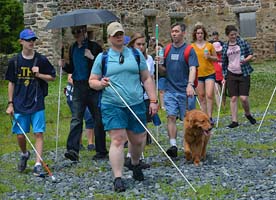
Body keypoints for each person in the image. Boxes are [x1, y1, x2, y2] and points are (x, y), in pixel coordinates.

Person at [89, 22, 158, 192]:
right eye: (115, 34)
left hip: (135, 102)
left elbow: (146, 77)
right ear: (109, 37)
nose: (119, 36)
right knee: (118, 139)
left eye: (120, 33)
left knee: (138, 139)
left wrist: (153, 100)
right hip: (112, 104)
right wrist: (101, 83)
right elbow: (92, 81)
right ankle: (118, 177)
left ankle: (134, 163)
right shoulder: (102, 57)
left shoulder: (135, 54)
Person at [5, 29, 56, 176]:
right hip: (20, 102)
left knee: (38, 133)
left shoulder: (40, 59)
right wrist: (10, 103)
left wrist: (39, 74)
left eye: (33, 40)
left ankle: (38, 164)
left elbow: (52, 77)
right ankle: (25, 153)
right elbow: (11, 83)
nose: (31, 42)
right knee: (20, 135)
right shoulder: (14, 61)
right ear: (21, 41)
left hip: (37, 102)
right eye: (28, 40)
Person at [59, 25, 107, 161]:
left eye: (78, 31)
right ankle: (73, 150)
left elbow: (102, 65)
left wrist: (91, 57)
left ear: (85, 31)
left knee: (98, 118)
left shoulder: (94, 47)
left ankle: (101, 150)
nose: (76, 34)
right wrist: (65, 66)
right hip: (78, 86)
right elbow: (72, 68)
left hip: (92, 85)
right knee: (76, 118)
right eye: (73, 32)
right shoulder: (73, 48)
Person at [158, 23, 198, 158]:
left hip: (185, 91)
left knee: (188, 120)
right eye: (172, 31)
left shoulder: (189, 50)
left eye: (176, 31)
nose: (174, 33)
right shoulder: (167, 49)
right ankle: (173, 145)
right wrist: (158, 64)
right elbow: (163, 71)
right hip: (170, 89)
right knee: (171, 116)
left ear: (183, 33)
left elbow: (193, 68)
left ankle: (190, 145)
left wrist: (190, 84)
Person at [124, 32, 156, 169]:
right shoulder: (127, 58)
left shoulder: (149, 60)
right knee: (131, 128)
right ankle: (130, 156)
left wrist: (154, 98)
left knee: (143, 128)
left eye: (143, 44)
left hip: (145, 96)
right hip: (132, 96)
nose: (141, 47)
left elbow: (151, 78)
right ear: (132, 45)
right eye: (138, 44)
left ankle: (139, 156)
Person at [221, 25, 256, 128]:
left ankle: (247, 114)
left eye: (235, 34)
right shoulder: (225, 47)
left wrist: (246, 60)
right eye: (231, 35)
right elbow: (224, 63)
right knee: (233, 98)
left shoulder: (242, 43)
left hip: (243, 73)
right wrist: (224, 77)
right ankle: (234, 121)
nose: (234, 36)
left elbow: (251, 54)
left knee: (244, 98)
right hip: (231, 74)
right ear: (227, 35)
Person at [191, 23, 217, 125]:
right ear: (195, 35)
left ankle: (210, 117)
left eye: (201, 33)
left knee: (209, 95)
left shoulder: (209, 45)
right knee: (201, 96)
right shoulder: (192, 46)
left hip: (209, 72)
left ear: (204, 34)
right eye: (198, 33)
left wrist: (210, 57)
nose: (200, 35)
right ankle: (204, 117)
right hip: (198, 74)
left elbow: (216, 58)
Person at [65, 74, 95, 151]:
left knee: (89, 118)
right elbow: (70, 79)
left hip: (86, 92)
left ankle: (90, 143)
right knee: (78, 118)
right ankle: (78, 142)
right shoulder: (76, 64)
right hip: (74, 94)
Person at [212, 42, 226, 109]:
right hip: (215, 77)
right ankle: (219, 108)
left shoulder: (223, 56)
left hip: (223, 77)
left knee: (223, 92)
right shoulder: (212, 57)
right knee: (217, 92)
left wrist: (224, 77)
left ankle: (224, 105)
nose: (218, 52)